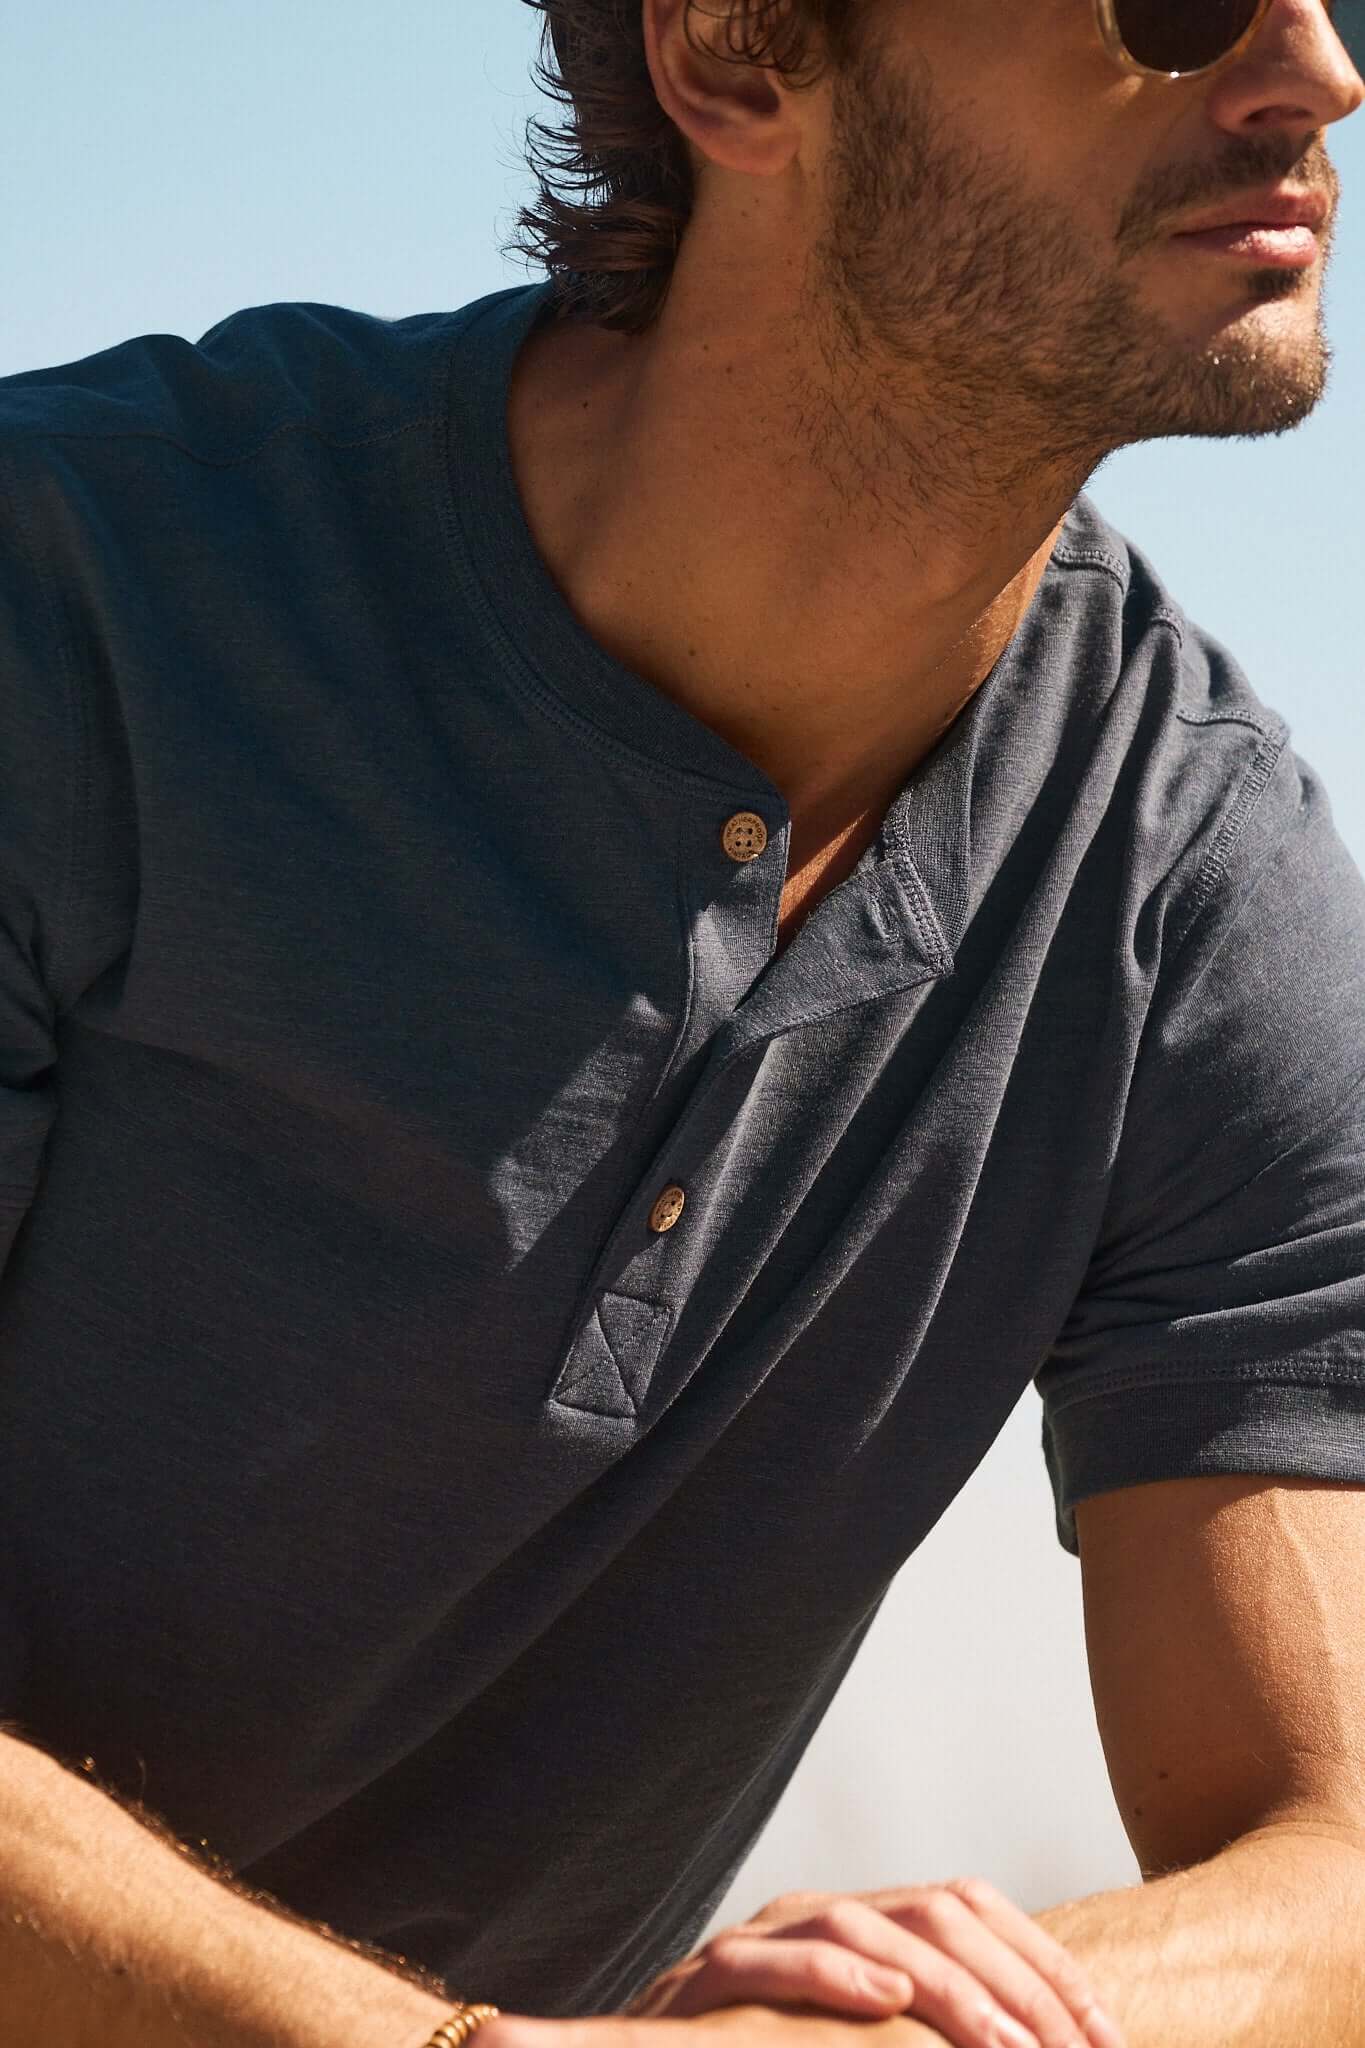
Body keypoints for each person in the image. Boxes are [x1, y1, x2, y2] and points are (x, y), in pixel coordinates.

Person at [1, 1, 1363, 2046]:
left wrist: (886, 2028)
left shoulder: (1187, 875)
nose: (1318, 75)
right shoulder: (75, 600)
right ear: (733, 51)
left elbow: (1334, 1871)